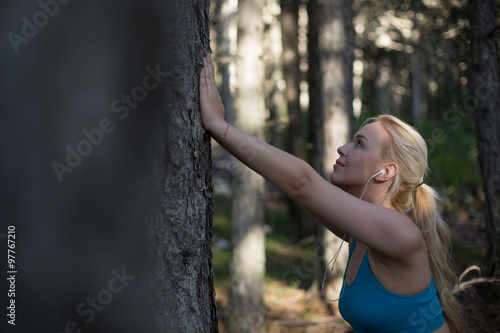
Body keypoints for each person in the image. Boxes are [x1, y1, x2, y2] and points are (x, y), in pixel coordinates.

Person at [199, 53, 465, 333]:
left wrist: (220, 127)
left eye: (359, 144)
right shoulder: (361, 233)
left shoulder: (397, 231)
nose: (342, 149)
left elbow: (302, 185)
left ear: (386, 171)